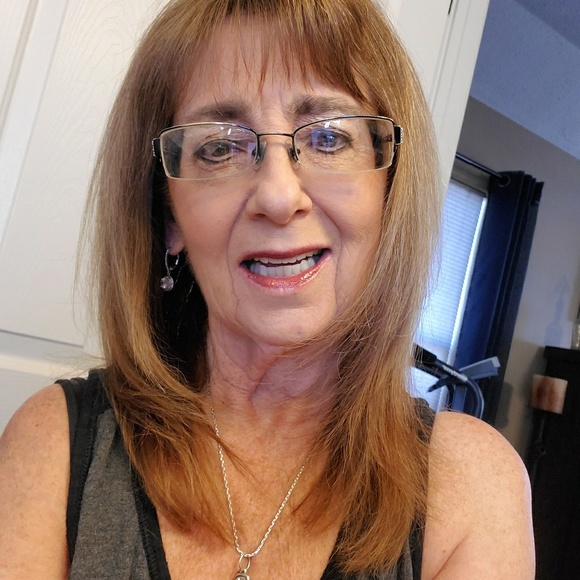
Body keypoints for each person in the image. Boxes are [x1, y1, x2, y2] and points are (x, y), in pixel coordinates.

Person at [0, 0, 534, 578]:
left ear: (389, 190)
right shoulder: (54, 446)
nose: (279, 197)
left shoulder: (470, 487)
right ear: (169, 214)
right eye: (220, 147)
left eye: (328, 137)